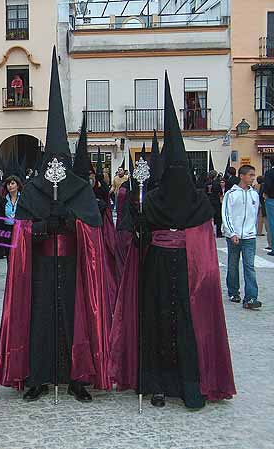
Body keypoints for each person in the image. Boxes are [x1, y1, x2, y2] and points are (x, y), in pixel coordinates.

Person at [109, 73, 235, 410]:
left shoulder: (195, 202)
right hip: (159, 270)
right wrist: (137, 226)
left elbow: (205, 242)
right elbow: (140, 236)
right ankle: (160, 384)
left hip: (184, 272)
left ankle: (190, 383)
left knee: (187, 325)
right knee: (159, 323)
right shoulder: (158, 200)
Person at [0, 48, 110, 403]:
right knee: (40, 321)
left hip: (74, 268)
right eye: (53, 160)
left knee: (74, 322)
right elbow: (21, 230)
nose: (57, 166)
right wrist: (43, 227)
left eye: (62, 160)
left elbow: (94, 227)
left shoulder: (80, 189)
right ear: (46, 160)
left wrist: (74, 223)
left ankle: (77, 378)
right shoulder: (32, 190)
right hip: (42, 268)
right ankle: (38, 377)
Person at [222, 165, 261, 308]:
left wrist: (253, 230)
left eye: (253, 175)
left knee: (249, 266)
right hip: (234, 235)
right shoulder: (231, 194)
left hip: (249, 236)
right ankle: (233, 291)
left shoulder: (254, 194)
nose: (253, 178)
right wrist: (232, 232)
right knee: (233, 265)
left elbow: (255, 213)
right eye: (250, 175)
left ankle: (251, 297)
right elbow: (226, 214)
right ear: (242, 176)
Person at [264, 166, 274, 255]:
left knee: (272, 223)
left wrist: (266, 193)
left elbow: (267, 185)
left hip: (271, 199)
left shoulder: (269, 172)